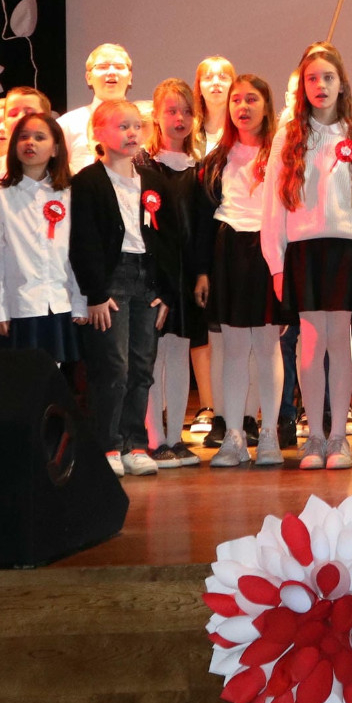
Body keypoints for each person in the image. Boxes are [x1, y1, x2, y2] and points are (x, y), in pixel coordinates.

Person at [262, 44, 352, 471]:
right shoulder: (288, 136)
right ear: (302, 87)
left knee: (339, 340)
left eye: (328, 77)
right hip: (304, 249)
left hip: (346, 248)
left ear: (342, 84)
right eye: (312, 78)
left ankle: (338, 438)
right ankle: (313, 435)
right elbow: (273, 205)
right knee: (310, 341)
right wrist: (276, 264)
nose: (320, 85)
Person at [69, 98, 165, 478]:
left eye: (136, 126)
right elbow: (84, 242)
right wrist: (94, 294)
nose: (131, 133)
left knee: (142, 366)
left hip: (146, 281)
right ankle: (107, 444)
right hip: (111, 281)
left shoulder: (152, 180)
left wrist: (164, 290)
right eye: (122, 126)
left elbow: (167, 239)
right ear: (98, 133)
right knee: (113, 367)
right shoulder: (88, 182)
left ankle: (135, 443)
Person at [200, 74, 284, 467]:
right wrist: (204, 271)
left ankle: (269, 436)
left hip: (268, 250)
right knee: (233, 349)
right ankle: (233, 436)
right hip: (229, 249)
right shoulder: (218, 157)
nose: (243, 107)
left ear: (266, 106)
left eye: (251, 99)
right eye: (236, 100)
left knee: (266, 347)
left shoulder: (281, 153)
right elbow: (205, 217)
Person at [139, 79, 213, 469]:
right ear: (156, 116)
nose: (179, 118)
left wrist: (201, 273)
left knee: (180, 352)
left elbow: (201, 229)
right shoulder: (142, 166)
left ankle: (175, 437)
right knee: (154, 356)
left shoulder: (199, 170)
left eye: (186, 111)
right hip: (155, 276)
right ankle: (154, 438)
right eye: (171, 111)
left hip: (186, 277)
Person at [0, 111, 85, 366]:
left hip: (60, 302)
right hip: (20, 305)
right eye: (24, 137)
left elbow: (79, 253)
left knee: (53, 376)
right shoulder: (0, 196)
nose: (30, 143)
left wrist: (80, 302)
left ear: (55, 149)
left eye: (40, 137)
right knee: (20, 377)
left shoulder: (70, 193)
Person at [186, 56, 237, 443]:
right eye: (209, 77)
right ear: (199, 86)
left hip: (232, 237)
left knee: (234, 329)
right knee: (202, 328)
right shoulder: (190, 133)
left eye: (224, 76)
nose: (216, 82)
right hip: (195, 233)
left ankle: (241, 411)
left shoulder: (243, 133)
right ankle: (208, 404)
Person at [59, 43, 135, 169]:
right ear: (89, 78)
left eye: (119, 67)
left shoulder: (145, 122)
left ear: (130, 77)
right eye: (102, 67)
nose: (111, 72)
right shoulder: (67, 125)